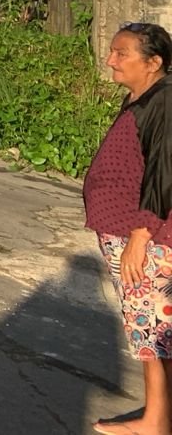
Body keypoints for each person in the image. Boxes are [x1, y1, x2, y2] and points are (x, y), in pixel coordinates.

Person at [84, 22, 172, 434]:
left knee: (152, 332)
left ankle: (155, 423)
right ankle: (157, 417)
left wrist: (140, 236)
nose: (110, 60)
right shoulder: (143, 98)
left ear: (153, 63)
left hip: (147, 238)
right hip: (130, 233)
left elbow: (164, 172)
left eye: (122, 54)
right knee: (152, 331)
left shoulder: (166, 100)